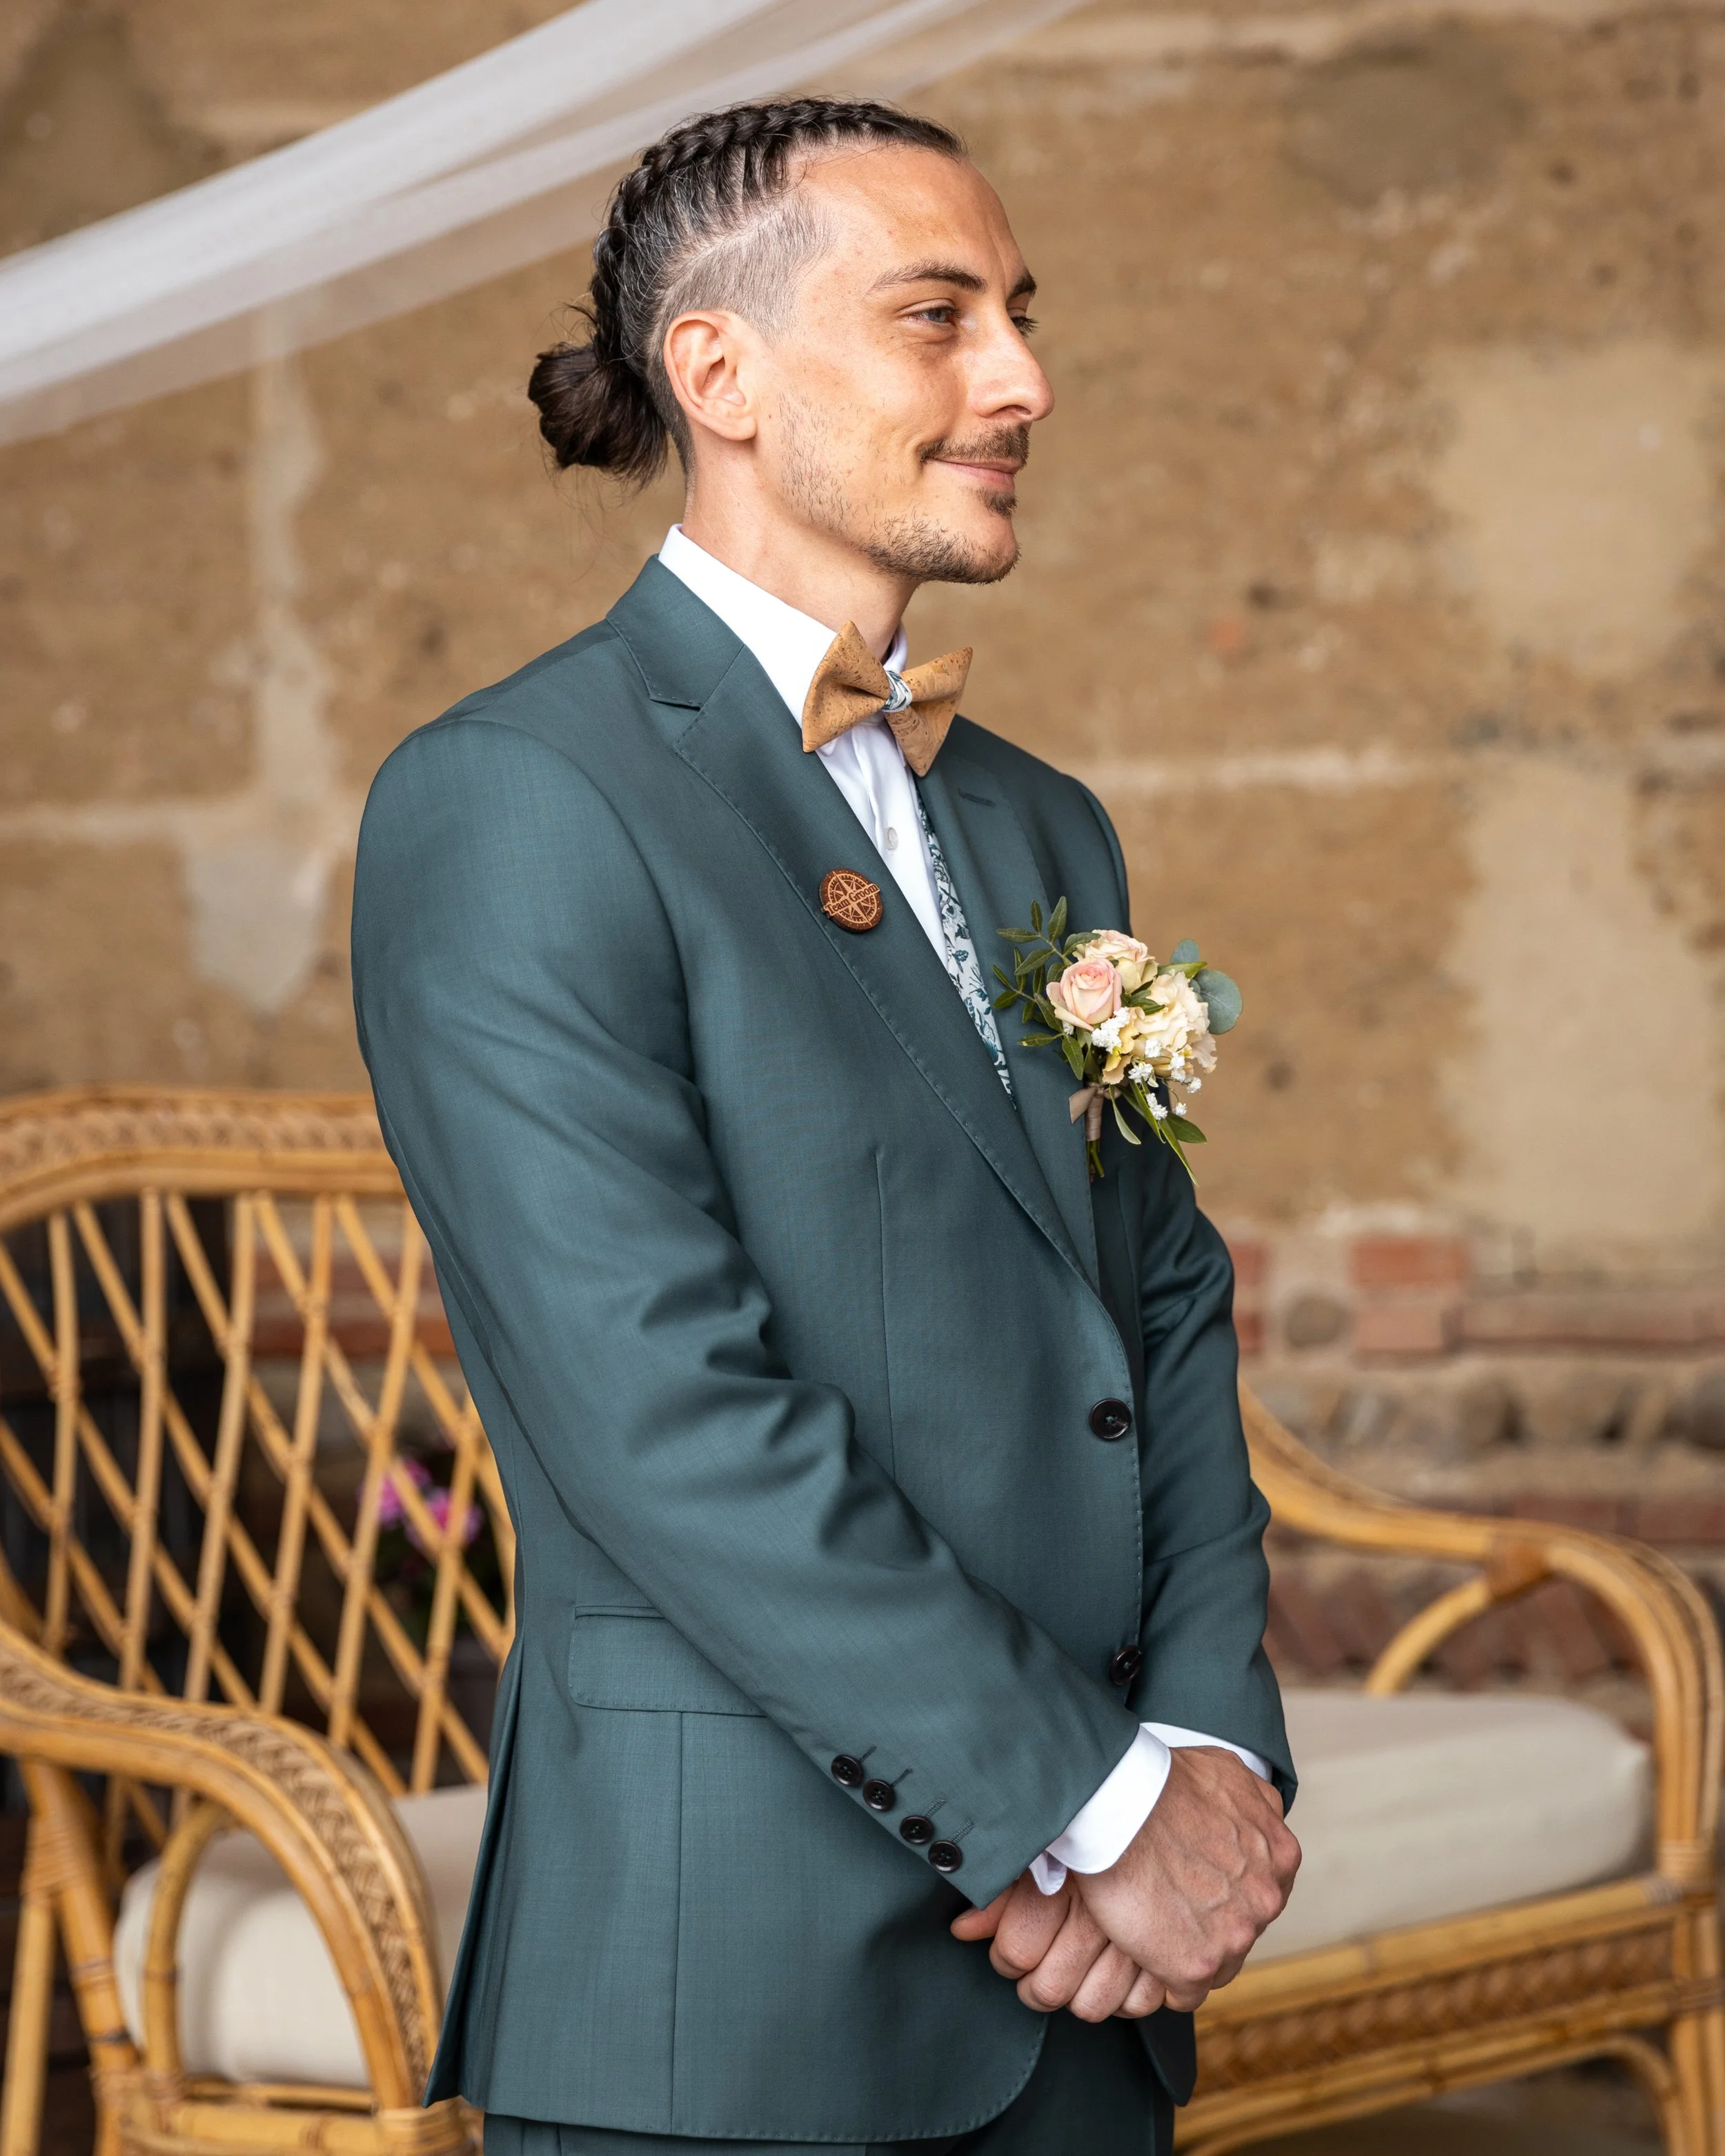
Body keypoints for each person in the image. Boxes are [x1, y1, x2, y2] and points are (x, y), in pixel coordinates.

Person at [351, 96, 1299, 2156]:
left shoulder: (1042, 818)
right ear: (721, 373)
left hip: (1087, 2000)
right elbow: (658, 1411)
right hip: (736, 1996)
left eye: (1019, 317)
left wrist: (1207, 1740)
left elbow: (1158, 1312)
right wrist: (1097, 1803)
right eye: (938, 316)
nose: (1021, 379)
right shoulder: (515, 797)